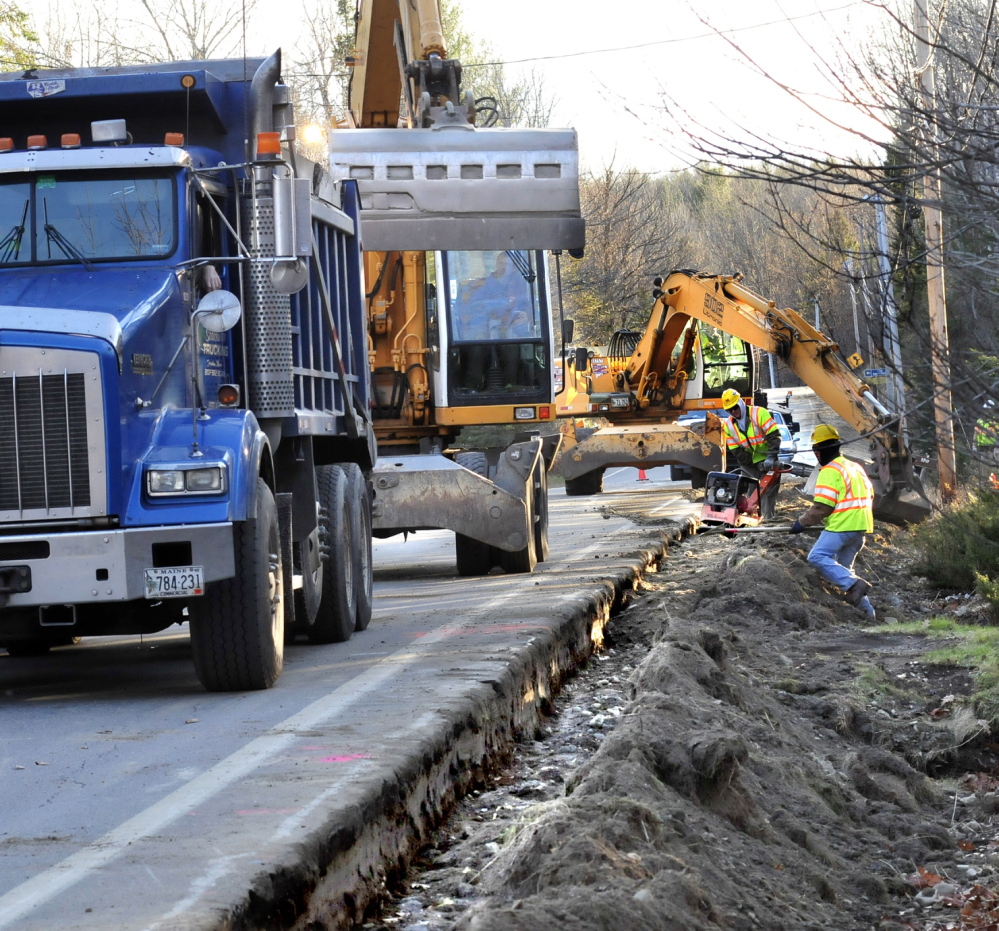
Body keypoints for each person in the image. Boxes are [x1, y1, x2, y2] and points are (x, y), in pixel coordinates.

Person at [789, 424, 876, 618]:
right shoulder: (854, 466)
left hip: (842, 526)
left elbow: (821, 507)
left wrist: (801, 523)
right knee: (844, 572)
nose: (816, 454)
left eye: (816, 450)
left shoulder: (830, 470)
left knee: (817, 557)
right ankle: (868, 614)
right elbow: (869, 493)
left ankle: (856, 585)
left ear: (819, 450)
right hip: (860, 527)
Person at [720, 386, 782, 518]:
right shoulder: (728, 426)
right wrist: (754, 463)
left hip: (768, 459)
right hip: (749, 463)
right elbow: (736, 450)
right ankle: (749, 519)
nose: (734, 411)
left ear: (741, 402)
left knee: (768, 491)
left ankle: (767, 519)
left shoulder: (759, 413)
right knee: (751, 494)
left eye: (735, 407)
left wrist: (770, 457)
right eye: (730, 409)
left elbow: (774, 436)